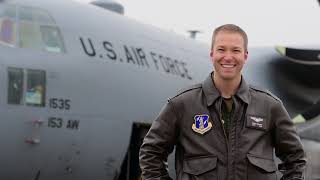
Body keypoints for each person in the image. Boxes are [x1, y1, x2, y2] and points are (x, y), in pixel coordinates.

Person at [139, 24, 307, 180]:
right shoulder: (182, 104)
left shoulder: (269, 106)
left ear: (245, 55)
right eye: (221, 49)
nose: (228, 57)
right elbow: (151, 152)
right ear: (212, 54)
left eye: (235, 50)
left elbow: (296, 158)